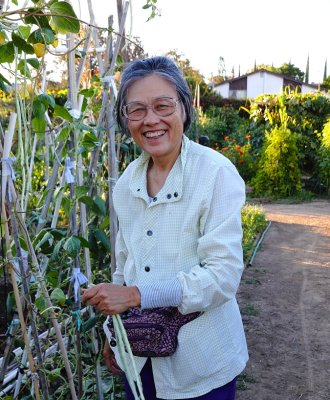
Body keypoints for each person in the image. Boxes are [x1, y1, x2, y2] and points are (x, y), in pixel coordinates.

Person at [82, 56, 248, 400]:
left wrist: (137, 296)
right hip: (139, 359)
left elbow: (223, 276)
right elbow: (123, 267)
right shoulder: (127, 183)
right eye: (137, 110)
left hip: (202, 364)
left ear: (184, 110)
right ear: (125, 119)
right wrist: (116, 333)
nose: (151, 120)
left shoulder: (215, 174)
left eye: (163, 106)